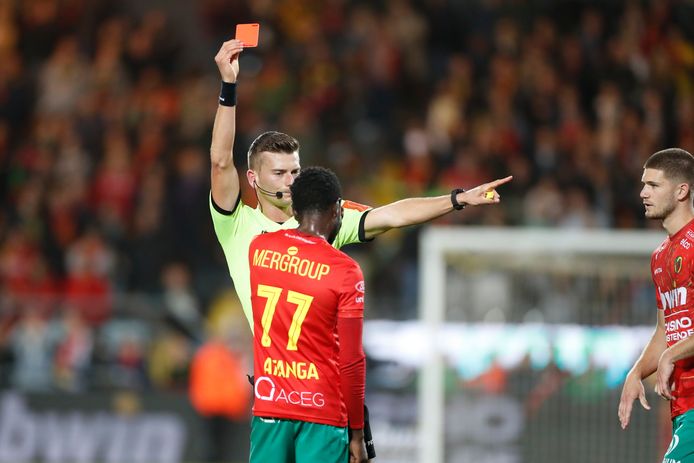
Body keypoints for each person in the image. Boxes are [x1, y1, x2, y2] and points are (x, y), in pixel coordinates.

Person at [209, 39, 513, 330]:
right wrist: (229, 86)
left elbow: (394, 215)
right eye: (278, 173)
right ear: (252, 178)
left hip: (320, 377)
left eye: (295, 171)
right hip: (270, 378)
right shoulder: (237, 225)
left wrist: (458, 198)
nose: (290, 181)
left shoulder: (319, 221)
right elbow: (221, 160)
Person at [248, 166, 367, 463]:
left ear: (295, 209)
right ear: (337, 209)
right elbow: (351, 361)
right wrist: (357, 431)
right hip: (322, 413)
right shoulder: (345, 271)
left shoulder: (258, 250)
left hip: (270, 407)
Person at [618, 148, 694, 462]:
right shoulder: (660, 256)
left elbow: (670, 345)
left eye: (653, 185)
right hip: (683, 405)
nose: (642, 193)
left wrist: (671, 354)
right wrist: (635, 374)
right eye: (643, 184)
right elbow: (666, 329)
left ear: (681, 190)